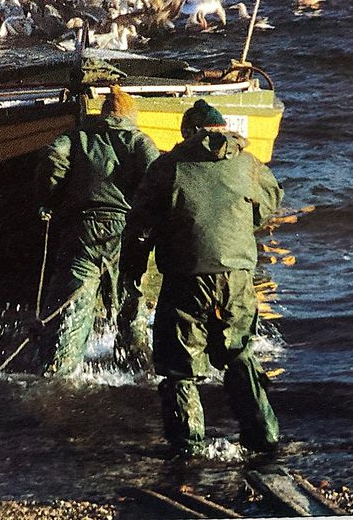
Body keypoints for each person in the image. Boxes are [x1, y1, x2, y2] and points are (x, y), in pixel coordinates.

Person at [121, 98, 283, 459]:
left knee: (179, 364)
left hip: (186, 275)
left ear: (188, 132)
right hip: (238, 274)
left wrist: (131, 272)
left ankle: (189, 448)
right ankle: (265, 436)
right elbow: (271, 199)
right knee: (239, 352)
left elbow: (139, 226)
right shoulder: (250, 163)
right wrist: (242, 228)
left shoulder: (168, 166)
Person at [33, 85, 160, 375]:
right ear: (130, 115)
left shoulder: (77, 136)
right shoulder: (139, 141)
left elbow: (53, 156)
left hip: (83, 230)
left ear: (103, 112)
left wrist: (51, 198)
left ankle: (59, 370)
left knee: (72, 303)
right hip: (125, 233)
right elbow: (158, 179)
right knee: (131, 298)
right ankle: (138, 365)